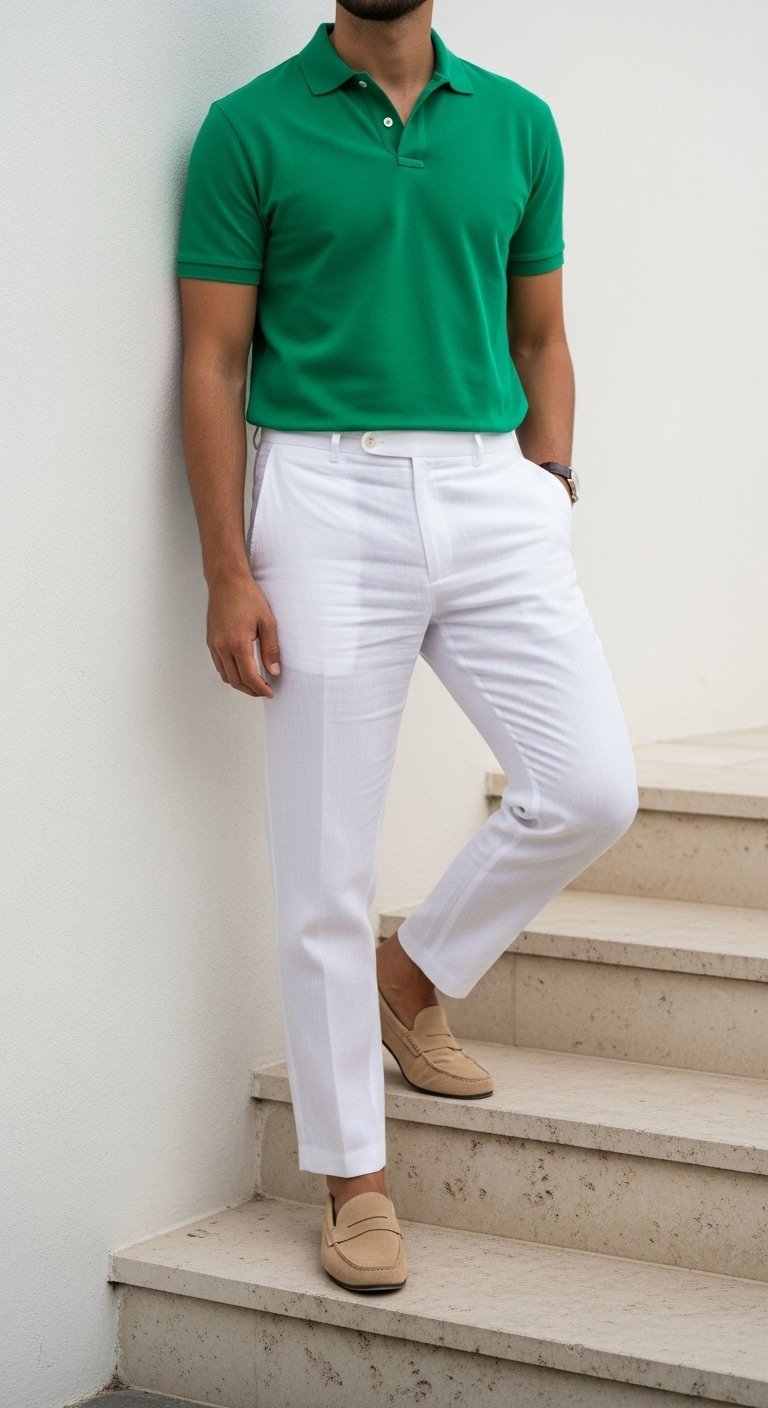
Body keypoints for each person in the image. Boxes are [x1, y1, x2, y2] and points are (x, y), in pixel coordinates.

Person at [176, 0, 639, 1293]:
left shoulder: (519, 125)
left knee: (591, 785)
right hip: (324, 497)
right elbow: (212, 363)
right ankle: (353, 1180)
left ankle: (411, 973)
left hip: (494, 486)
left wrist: (550, 486)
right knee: (324, 859)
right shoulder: (249, 130)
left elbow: (541, 330)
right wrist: (227, 566)